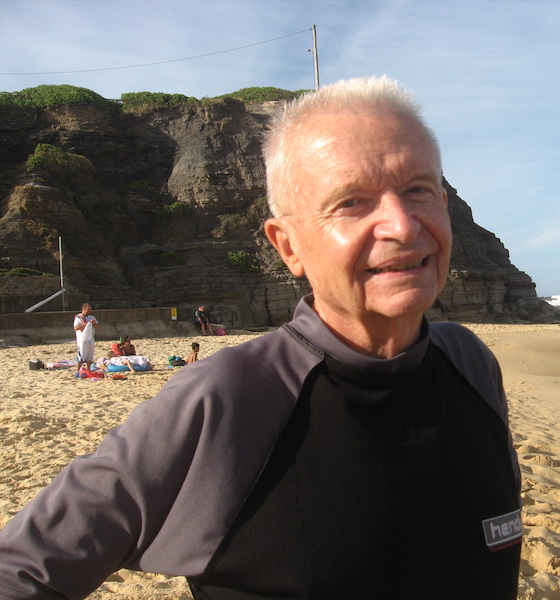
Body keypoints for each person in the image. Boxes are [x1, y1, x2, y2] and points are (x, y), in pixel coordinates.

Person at [0, 77, 521, 599]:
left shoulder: (470, 363)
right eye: (352, 202)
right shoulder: (225, 398)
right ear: (288, 245)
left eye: (418, 189)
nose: (403, 226)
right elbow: (22, 570)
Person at [72, 303, 99, 373]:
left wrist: (94, 324)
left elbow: (98, 326)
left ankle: (88, 370)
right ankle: (77, 371)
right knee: (81, 356)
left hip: (90, 339)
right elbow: (76, 328)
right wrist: (87, 324)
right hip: (82, 340)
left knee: (89, 356)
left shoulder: (92, 317)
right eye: (88, 309)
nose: (90, 311)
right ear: (84, 309)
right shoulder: (79, 318)